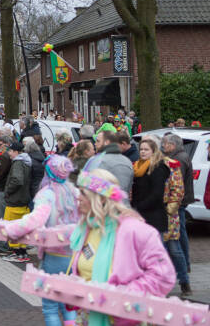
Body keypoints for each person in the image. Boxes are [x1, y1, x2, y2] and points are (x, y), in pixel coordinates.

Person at [68, 167, 176, 325]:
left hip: (122, 320)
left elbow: (163, 276)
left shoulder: (135, 230)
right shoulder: (87, 227)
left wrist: (119, 297)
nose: (78, 198)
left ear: (101, 199)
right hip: (88, 318)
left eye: (83, 193)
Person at [0, 155, 79, 326]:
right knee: (69, 307)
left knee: (50, 307)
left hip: (53, 256)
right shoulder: (75, 192)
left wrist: (9, 229)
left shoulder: (47, 194)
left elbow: (34, 220)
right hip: (74, 257)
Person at [133, 136, 191, 296]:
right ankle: (159, 281)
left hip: (166, 212)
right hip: (149, 213)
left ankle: (184, 281)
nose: (143, 151)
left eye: (146, 148)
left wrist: (171, 206)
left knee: (174, 248)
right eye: (141, 148)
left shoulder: (170, 165)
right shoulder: (138, 166)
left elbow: (178, 187)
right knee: (157, 249)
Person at [161, 132, 194, 275]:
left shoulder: (177, 160)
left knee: (179, 234)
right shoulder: (181, 156)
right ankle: (184, 264)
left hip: (178, 202)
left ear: (172, 145)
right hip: (182, 200)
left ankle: (184, 265)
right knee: (180, 232)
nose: (163, 146)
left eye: (165, 144)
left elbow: (175, 183)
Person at [0, 142, 33, 263]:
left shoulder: (18, 163)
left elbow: (17, 180)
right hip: (23, 200)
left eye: (10, 151)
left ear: (16, 152)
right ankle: (22, 253)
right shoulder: (27, 162)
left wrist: (8, 190)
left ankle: (17, 254)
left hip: (15, 200)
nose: (9, 153)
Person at [89, 127, 133, 196]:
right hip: (120, 204)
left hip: (108, 205)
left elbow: (120, 193)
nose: (95, 144)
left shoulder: (98, 160)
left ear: (107, 142)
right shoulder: (127, 161)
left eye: (98, 141)